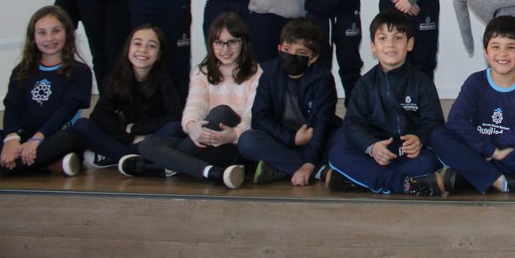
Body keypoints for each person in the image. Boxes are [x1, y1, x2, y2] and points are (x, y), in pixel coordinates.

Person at [121, 12, 261, 189]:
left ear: (243, 43)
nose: (225, 49)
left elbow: (253, 116)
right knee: (147, 144)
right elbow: (194, 106)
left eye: (232, 42)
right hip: (201, 142)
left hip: (232, 144)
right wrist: (192, 126)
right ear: (211, 44)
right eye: (218, 42)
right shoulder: (202, 72)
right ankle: (211, 172)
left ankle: (158, 166)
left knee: (222, 112)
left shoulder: (256, 74)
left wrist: (234, 134)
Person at [0, 6, 90, 180]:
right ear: (33, 37)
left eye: (56, 31)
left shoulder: (80, 71)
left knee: (72, 137)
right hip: (25, 137)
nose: (50, 38)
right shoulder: (22, 70)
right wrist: (11, 139)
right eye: (42, 33)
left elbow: (67, 109)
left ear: (67, 33)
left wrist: (38, 139)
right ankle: (49, 164)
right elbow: (12, 105)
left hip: (55, 137)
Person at [428, 16, 515, 194]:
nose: (502, 54)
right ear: (486, 52)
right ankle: (502, 181)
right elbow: (456, 120)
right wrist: (491, 150)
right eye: (496, 47)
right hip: (481, 146)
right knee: (438, 135)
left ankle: (471, 174)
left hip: (507, 149)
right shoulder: (476, 81)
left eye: (510, 47)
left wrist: (494, 149)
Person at [324, 11, 445, 195]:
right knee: (337, 153)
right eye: (382, 38)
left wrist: (419, 138)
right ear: (373, 46)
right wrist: (372, 147)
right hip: (375, 152)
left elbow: (435, 122)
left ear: (410, 44)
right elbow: (353, 124)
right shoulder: (364, 84)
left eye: (398, 38)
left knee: (431, 161)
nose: (390, 44)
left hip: (407, 153)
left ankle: (361, 180)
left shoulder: (422, 83)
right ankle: (403, 185)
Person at [238, 18, 340, 186]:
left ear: (313, 58)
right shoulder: (269, 73)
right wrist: (292, 139)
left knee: (344, 137)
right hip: (281, 140)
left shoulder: (323, 78)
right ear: (279, 49)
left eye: (301, 52)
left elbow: (322, 121)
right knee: (247, 140)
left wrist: (309, 161)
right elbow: (260, 118)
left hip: (313, 139)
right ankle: (318, 171)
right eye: (287, 49)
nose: (292, 55)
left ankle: (283, 168)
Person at [73, 23, 181, 169]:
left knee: (174, 129)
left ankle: (114, 157)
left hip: (149, 137)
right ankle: (130, 158)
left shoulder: (164, 79)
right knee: (82, 125)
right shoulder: (117, 77)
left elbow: (174, 117)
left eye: (151, 46)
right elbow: (99, 115)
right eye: (137, 43)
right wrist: (129, 138)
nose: (143, 50)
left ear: (159, 54)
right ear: (128, 48)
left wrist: (137, 129)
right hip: (125, 138)